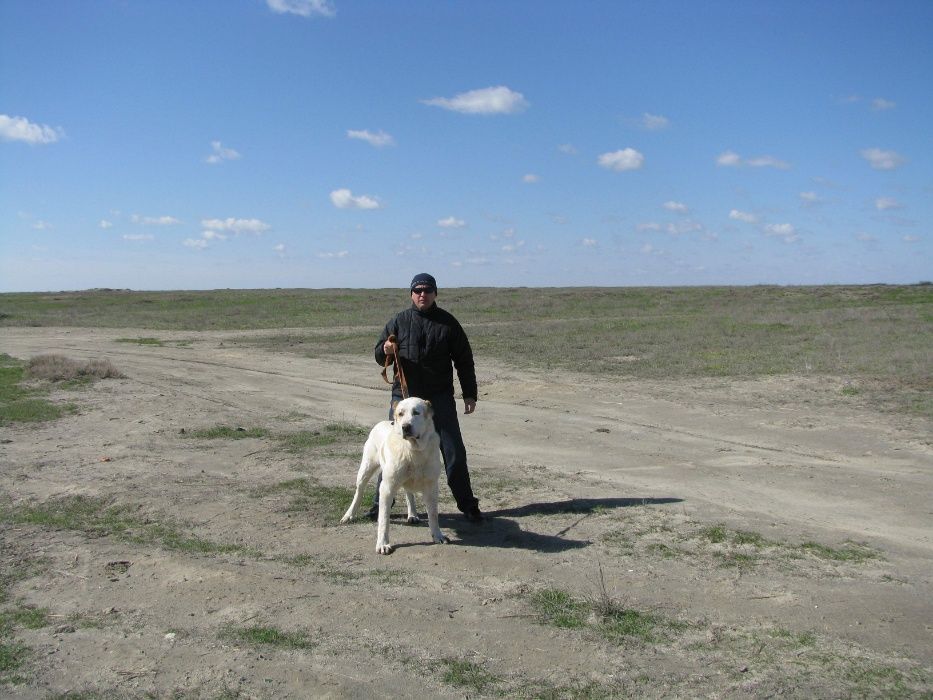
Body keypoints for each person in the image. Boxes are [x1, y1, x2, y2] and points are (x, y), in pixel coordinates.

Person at [367, 273, 484, 523]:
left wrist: (470, 393)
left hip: (438, 399)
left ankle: (467, 504)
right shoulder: (399, 321)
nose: (423, 294)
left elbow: (464, 360)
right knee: (392, 451)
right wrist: (385, 350)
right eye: (418, 290)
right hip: (404, 399)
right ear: (411, 294)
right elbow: (379, 354)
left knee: (453, 451)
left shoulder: (448, 324)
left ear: (435, 294)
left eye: (428, 290)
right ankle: (380, 504)